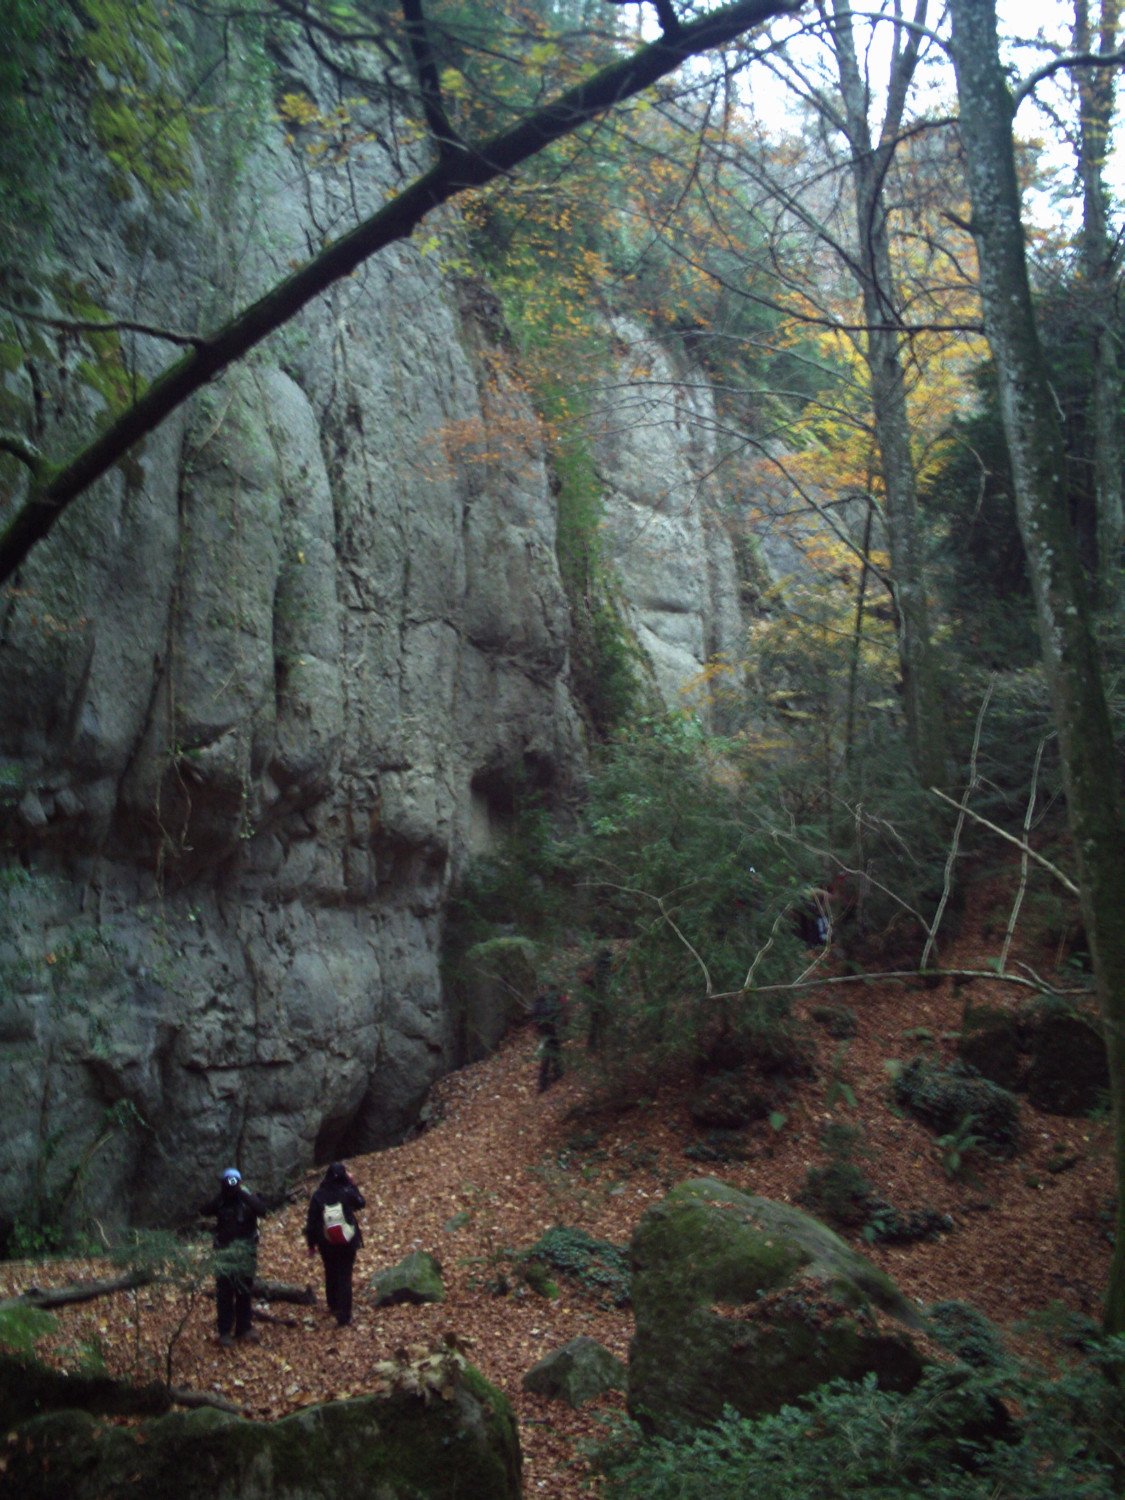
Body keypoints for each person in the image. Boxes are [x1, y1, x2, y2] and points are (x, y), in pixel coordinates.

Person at [200, 1167, 268, 1348]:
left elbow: (262, 1209)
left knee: (244, 1290)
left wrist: (241, 1194)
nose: (231, 1187)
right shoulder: (221, 1201)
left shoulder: (247, 1199)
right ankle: (224, 1331)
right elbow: (204, 1210)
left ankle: (244, 1328)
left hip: (246, 1252)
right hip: (224, 1254)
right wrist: (223, 1195)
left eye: (234, 1182)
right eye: (228, 1183)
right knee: (224, 1293)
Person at [305, 1161, 365, 1327]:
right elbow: (361, 1202)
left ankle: (333, 1305)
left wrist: (311, 1245)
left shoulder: (318, 1195)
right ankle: (344, 1315)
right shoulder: (346, 1191)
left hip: (326, 1242)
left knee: (330, 1272)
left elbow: (311, 1222)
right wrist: (353, 1185)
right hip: (347, 1240)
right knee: (344, 1275)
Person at [531, 987, 569, 1091]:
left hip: (544, 1028)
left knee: (554, 1048)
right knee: (549, 1053)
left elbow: (534, 1017)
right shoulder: (552, 998)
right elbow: (562, 1010)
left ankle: (557, 1072)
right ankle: (543, 1082)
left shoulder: (538, 1001)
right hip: (549, 1027)